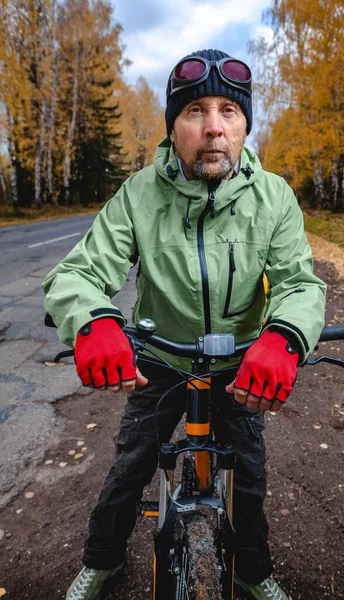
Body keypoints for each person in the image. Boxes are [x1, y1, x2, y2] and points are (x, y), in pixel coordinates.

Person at [43, 49, 326, 600]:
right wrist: (93, 323)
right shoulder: (140, 194)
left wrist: (284, 336)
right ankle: (101, 562)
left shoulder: (274, 198)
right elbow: (77, 274)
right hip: (161, 357)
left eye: (228, 110)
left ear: (245, 125)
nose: (214, 127)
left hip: (243, 360)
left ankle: (251, 569)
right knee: (131, 465)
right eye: (196, 110)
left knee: (249, 472)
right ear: (174, 127)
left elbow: (300, 283)